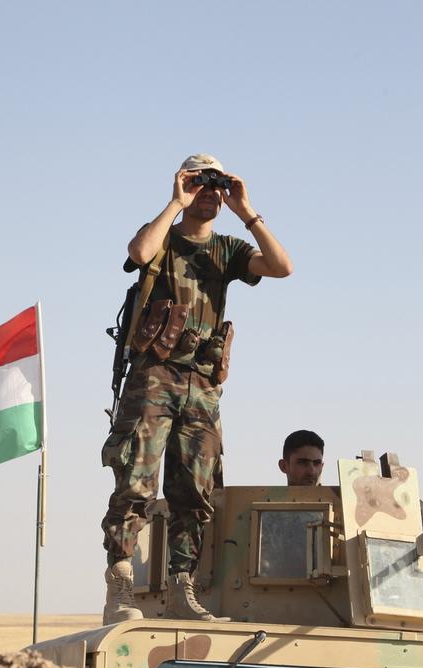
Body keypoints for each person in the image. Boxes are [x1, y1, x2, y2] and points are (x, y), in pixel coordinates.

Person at [102, 154, 293, 624]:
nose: (208, 192)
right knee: (136, 480)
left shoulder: (227, 249)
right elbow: (138, 253)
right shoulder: (164, 236)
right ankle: (120, 585)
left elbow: (282, 266)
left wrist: (247, 210)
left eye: (216, 185)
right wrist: (175, 201)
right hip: (154, 374)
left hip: (203, 385)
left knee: (196, 488)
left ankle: (180, 589)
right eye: (199, 182)